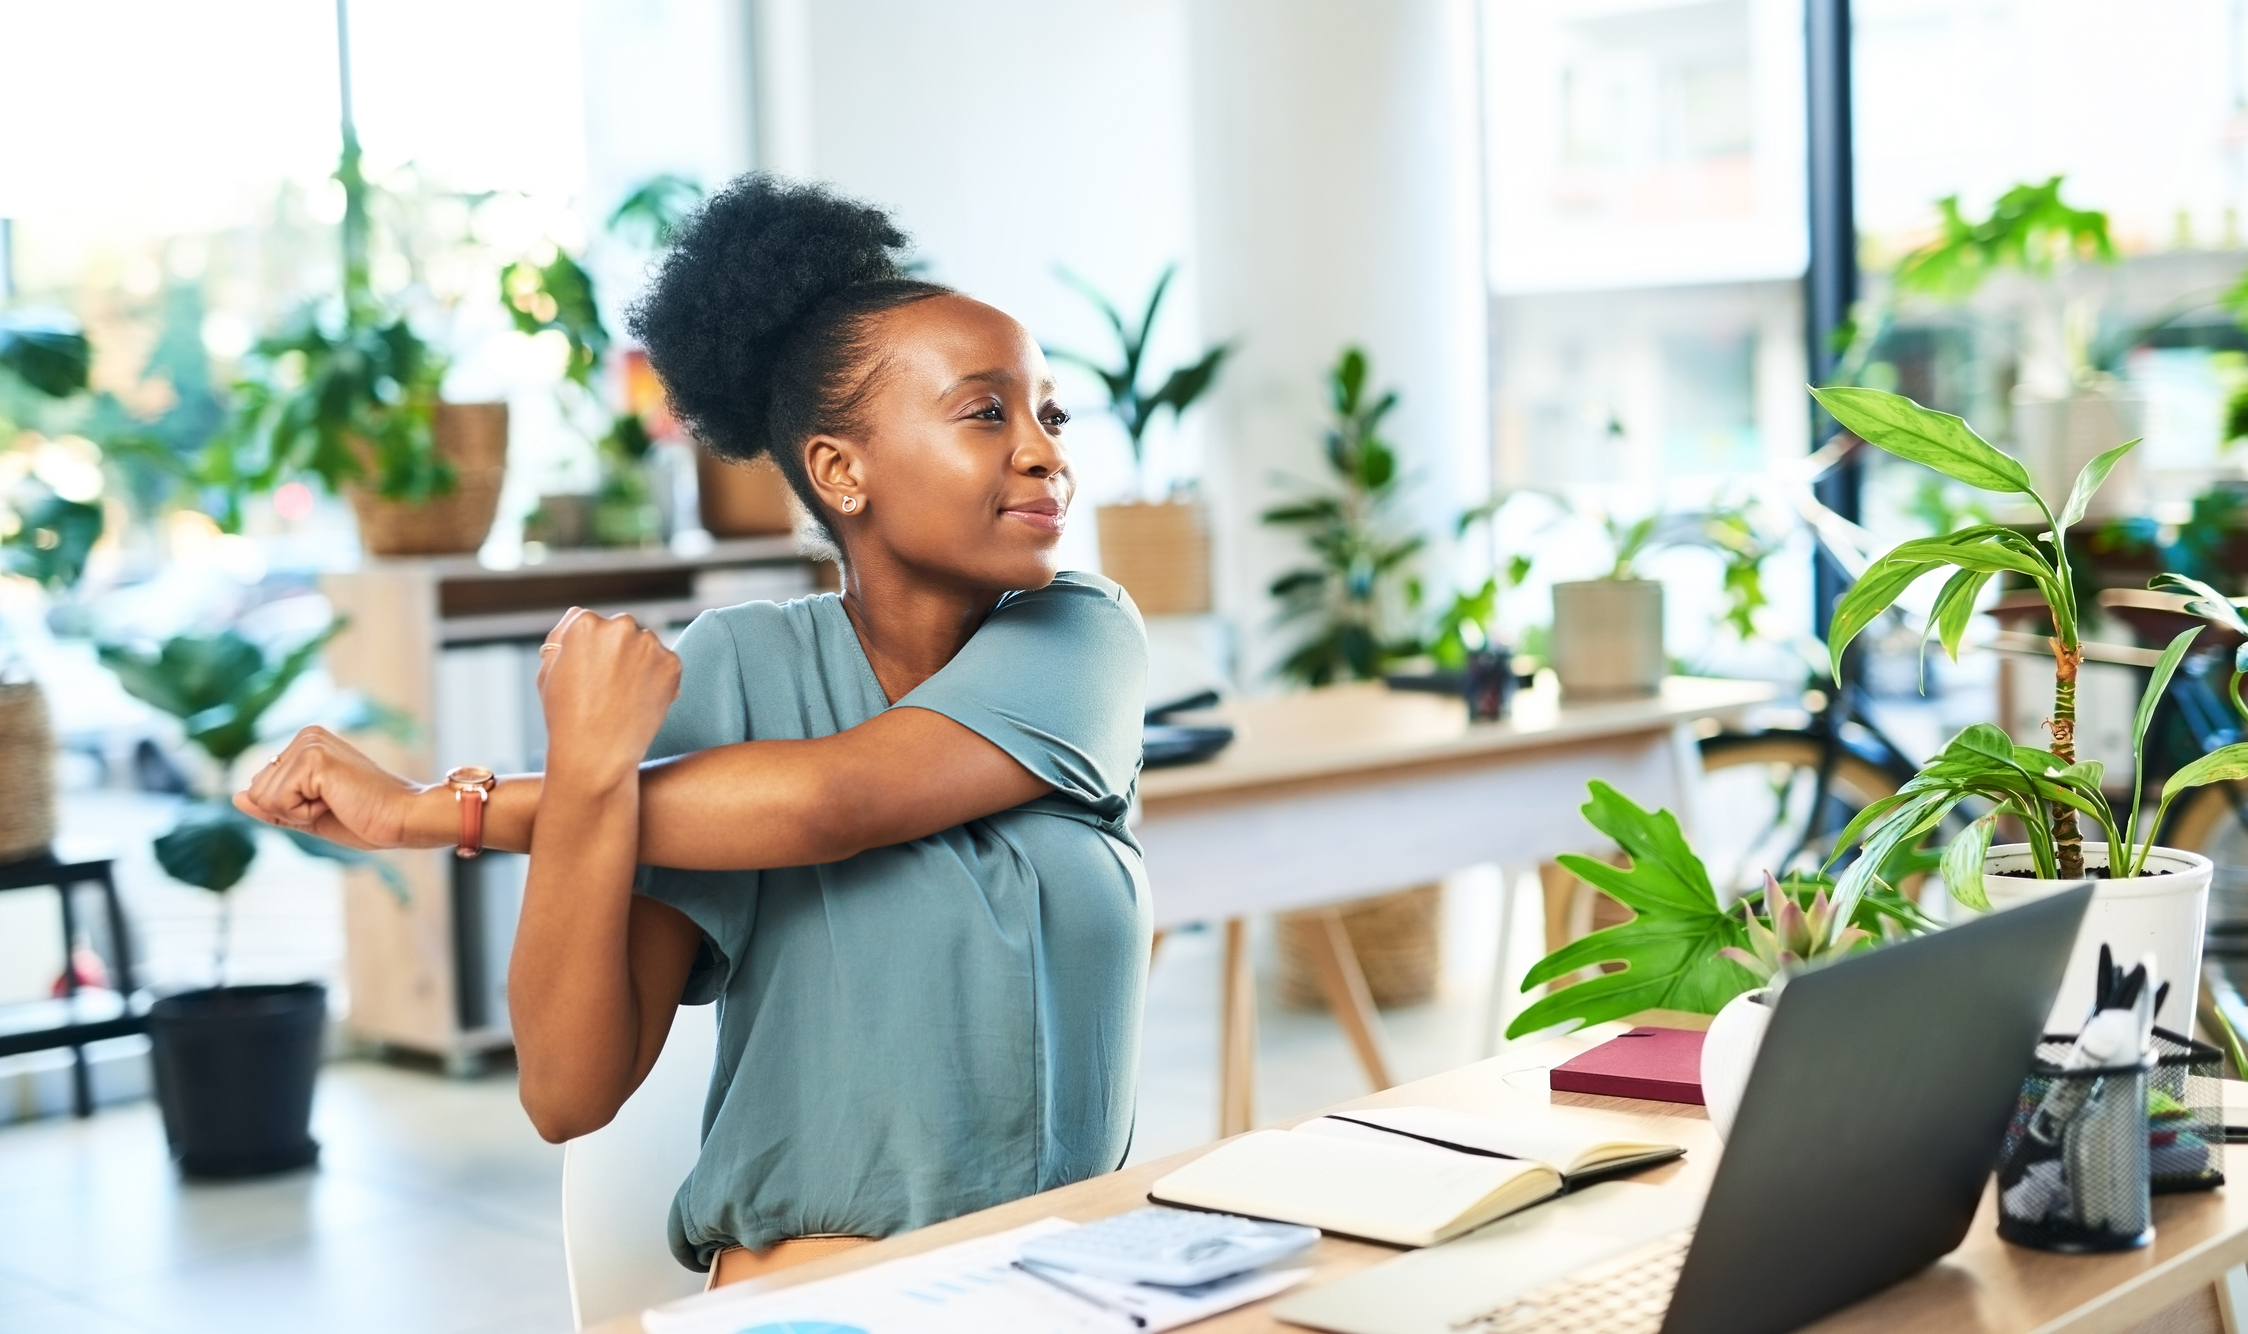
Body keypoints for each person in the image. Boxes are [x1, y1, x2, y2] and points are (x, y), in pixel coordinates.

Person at [235, 175, 1150, 1285]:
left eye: (1049, 412)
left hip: (1064, 1289)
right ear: (838, 469)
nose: (1044, 449)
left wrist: (446, 810)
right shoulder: (733, 671)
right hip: (815, 1297)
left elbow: (829, 801)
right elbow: (568, 1091)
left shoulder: (1081, 634)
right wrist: (584, 770)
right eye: (984, 410)